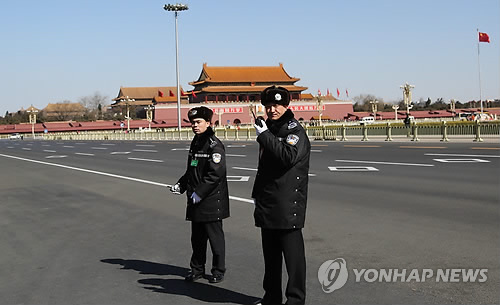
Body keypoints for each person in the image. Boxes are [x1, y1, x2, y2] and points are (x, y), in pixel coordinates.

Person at [252, 85, 311, 305]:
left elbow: (287, 156)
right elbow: (264, 167)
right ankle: (272, 297)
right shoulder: (272, 128)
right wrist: (257, 193)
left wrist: (264, 135)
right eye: (268, 106)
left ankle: (295, 300)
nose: (272, 110)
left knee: (293, 258)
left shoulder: (294, 130)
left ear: (287, 105)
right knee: (271, 257)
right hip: (268, 200)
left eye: (276, 105)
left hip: (287, 202)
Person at [170, 106, 230, 284]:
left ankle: (218, 270)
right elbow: (192, 169)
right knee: (197, 239)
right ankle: (197, 269)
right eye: (192, 123)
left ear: (208, 123)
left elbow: (215, 174)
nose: (195, 125)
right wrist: (180, 185)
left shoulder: (214, 145)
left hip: (211, 199)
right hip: (195, 199)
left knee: (215, 238)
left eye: (198, 122)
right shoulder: (196, 142)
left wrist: (199, 193)